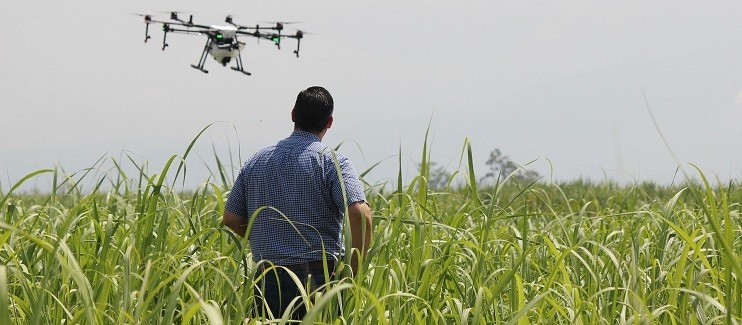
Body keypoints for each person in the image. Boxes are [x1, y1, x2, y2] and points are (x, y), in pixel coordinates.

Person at [222, 86, 373, 320]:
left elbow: (231, 218)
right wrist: (351, 272)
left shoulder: (257, 161)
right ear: (330, 122)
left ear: (293, 115)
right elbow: (360, 213)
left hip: (268, 277)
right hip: (318, 280)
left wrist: (268, 237)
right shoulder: (333, 162)